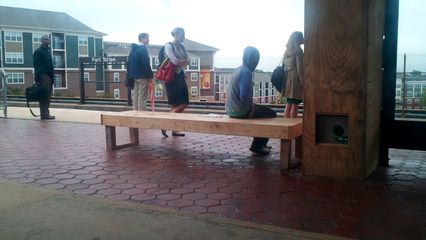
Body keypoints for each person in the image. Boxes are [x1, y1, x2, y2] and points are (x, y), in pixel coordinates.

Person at [225, 46, 277, 155]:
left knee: (262, 112)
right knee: (270, 113)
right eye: (255, 59)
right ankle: (258, 145)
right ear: (250, 59)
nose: (256, 62)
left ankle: (261, 143)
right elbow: (243, 95)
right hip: (241, 110)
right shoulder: (246, 72)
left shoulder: (239, 69)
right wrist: (251, 106)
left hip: (230, 109)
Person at [161, 27, 190, 137]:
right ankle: (165, 124)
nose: (184, 37)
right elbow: (174, 60)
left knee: (175, 105)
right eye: (183, 34)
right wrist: (183, 62)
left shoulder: (182, 47)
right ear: (176, 35)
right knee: (183, 103)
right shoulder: (169, 46)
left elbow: (188, 60)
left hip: (180, 76)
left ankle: (174, 129)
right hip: (171, 77)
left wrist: (182, 62)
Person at [127, 33, 153, 111]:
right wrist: (150, 76)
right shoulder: (143, 49)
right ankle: (141, 112)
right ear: (142, 39)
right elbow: (146, 63)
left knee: (135, 94)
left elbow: (129, 64)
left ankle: (135, 111)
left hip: (134, 76)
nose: (148, 40)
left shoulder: (133, 50)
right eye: (147, 38)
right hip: (142, 76)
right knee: (142, 95)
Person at [282, 31, 304, 118]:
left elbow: (283, 65)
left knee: (288, 104)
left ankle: (286, 123)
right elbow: (300, 68)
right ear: (298, 39)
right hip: (295, 80)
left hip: (287, 79)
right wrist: (303, 81)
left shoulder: (287, 51)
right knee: (295, 105)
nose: (303, 39)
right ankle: (292, 125)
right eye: (302, 37)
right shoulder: (298, 51)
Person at [33, 34, 55, 120]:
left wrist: (52, 77)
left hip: (49, 76)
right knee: (44, 95)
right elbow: (36, 66)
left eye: (48, 39)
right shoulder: (38, 51)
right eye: (45, 39)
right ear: (41, 41)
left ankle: (46, 113)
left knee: (48, 95)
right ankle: (44, 114)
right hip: (43, 76)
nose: (47, 41)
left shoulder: (48, 51)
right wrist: (37, 78)